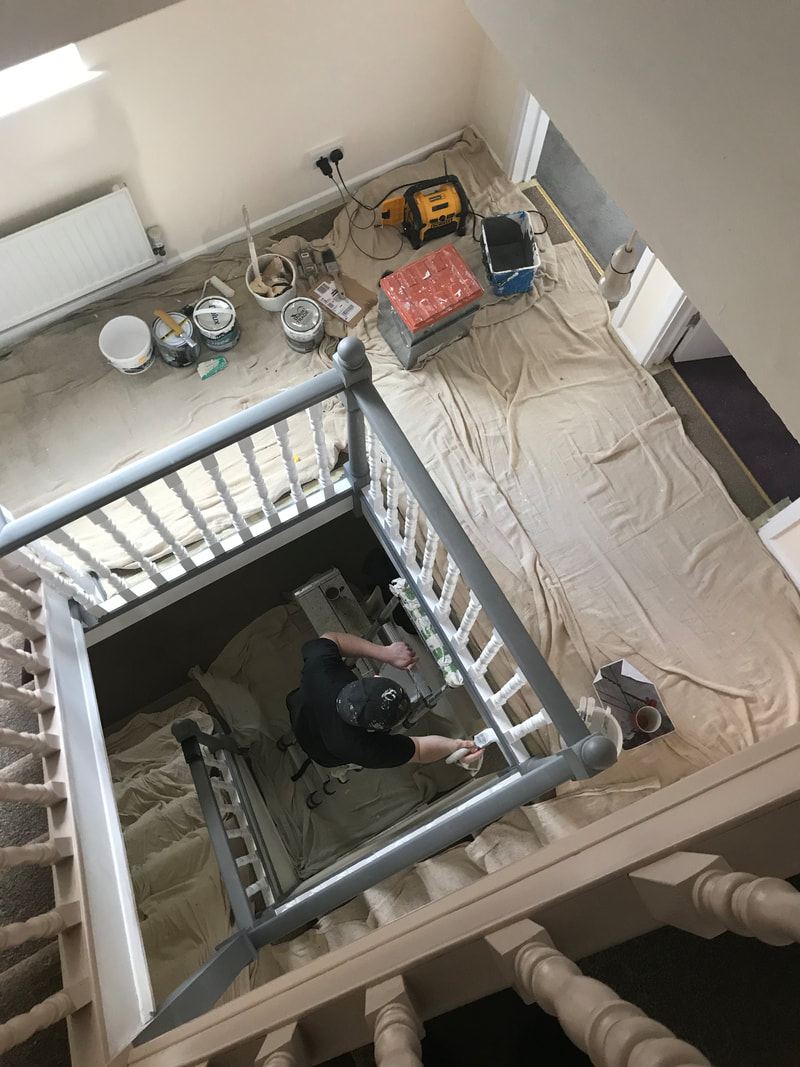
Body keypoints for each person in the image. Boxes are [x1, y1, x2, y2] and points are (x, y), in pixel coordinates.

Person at [286, 631, 483, 770]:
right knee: (328, 754)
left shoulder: (322, 671)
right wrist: (457, 745)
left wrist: (385, 652)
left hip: (300, 707)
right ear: (374, 731)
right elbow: (420, 751)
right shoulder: (359, 749)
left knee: (301, 709)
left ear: (373, 679)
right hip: (323, 753)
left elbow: (331, 638)